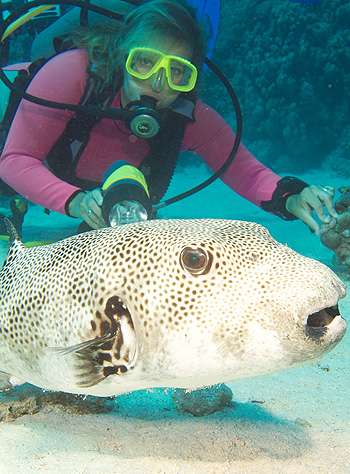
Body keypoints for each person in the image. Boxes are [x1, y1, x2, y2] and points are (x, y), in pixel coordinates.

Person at [0, 0, 338, 237]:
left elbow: (245, 171)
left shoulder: (185, 117)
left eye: (177, 71)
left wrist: (291, 197)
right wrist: (75, 202)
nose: (158, 84)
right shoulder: (73, 73)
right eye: (144, 62)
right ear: (122, 57)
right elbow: (15, 159)